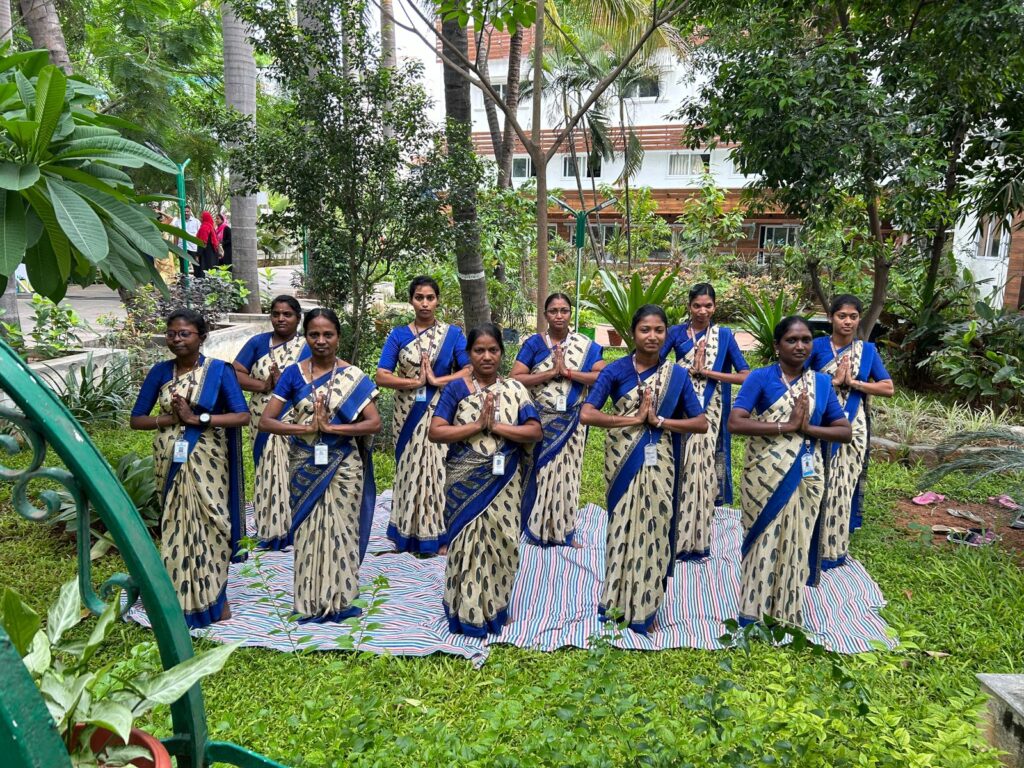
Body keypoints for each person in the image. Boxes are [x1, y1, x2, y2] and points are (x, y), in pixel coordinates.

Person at [581, 305, 708, 634]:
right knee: (621, 527)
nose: (652, 336)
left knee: (654, 527)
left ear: (666, 333)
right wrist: (631, 420)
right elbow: (587, 413)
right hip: (622, 460)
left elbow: (701, 422)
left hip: (659, 461)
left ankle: (646, 607)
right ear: (633, 334)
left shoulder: (676, 375)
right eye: (645, 330)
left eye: (659, 330)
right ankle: (616, 600)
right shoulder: (616, 370)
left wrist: (661, 421)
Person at [258, 308, 381, 622]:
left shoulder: (354, 376)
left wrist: (334, 429)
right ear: (306, 337)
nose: (321, 340)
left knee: (342, 529)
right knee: (308, 531)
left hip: (344, 465)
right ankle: (309, 600)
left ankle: (341, 599)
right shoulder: (293, 374)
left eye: (328, 334)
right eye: (314, 334)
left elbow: (374, 423)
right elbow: (266, 421)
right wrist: (305, 428)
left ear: (338, 337)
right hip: (304, 463)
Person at [728, 316, 852, 628]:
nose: (800, 346)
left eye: (806, 340)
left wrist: (807, 428)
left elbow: (844, 431)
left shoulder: (821, 384)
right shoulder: (760, 378)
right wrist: (785, 426)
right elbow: (735, 422)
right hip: (763, 475)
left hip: (805, 475)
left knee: (796, 541)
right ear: (777, 345)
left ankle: (787, 610)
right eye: (792, 340)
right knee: (762, 539)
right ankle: (753, 611)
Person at [129, 309, 249, 628]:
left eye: (185, 334)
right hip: (169, 461)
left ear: (202, 337)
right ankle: (178, 599)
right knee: (176, 525)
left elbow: (242, 415)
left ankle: (215, 599)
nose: (177, 339)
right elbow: (136, 419)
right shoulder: (160, 372)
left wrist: (198, 419)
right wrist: (171, 419)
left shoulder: (219, 371)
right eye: (171, 334)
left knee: (214, 522)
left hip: (208, 459)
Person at [428, 324, 542, 637]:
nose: (487, 356)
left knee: (503, 542)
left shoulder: (515, 389)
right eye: (479, 350)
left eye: (493, 350)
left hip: (504, 482)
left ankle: (496, 605)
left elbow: (535, 430)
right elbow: (436, 431)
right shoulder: (456, 389)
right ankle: (465, 609)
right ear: (469, 354)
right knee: (465, 544)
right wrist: (478, 425)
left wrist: (498, 427)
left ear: (502, 353)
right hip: (464, 480)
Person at [375, 276, 470, 554]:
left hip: (441, 409)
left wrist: (437, 381)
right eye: (419, 297)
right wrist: (413, 383)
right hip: (408, 412)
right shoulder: (398, 335)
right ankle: (407, 533)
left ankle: (439, 535)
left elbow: (468, 370)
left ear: (437, 300)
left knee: (439, 470)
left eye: (430, 297)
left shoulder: (453, 334)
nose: (425, 303)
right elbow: (382, 375)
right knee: (409, 469)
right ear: (411, 301)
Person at [662, 283, 750, 561]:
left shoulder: (724, 337)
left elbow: (745, 375)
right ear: (689, 306)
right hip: (680, 407)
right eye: (697, 305)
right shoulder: (676, 333)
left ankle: (697, 539)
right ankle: (673, 535)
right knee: (680, 465)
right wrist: (686, 370)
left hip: (710, 411)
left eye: (708, 306)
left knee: (702, 469)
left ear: (715, 307)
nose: (702, 311)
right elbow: (655, 363)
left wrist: (710, 373)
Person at [511, 293, 605, 547]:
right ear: (545, 315)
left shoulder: (585, 345)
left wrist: (569, 373)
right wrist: (551, 373)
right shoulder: (534, 344)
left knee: (569, 475)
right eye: (553, 311)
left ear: (570, 313)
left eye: (564, 310)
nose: (559, 316)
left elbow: (601, 375)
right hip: (541, 420)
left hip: (572, 422)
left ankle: (565, 530)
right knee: (539, 473)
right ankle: (535, 528)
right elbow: (516, 377)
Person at [807, 295, 894, 569]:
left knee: (842, 485)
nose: (847, 322)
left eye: (853, 317)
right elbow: (800, 379)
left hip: (853, 427)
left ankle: (833, 548)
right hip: (820, 424)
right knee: (815, 482)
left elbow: (887, 387)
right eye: (842, 316)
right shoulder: (816, 346)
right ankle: (807, 542)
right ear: (830, 317)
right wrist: (831, 382)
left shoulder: (867, 351)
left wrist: (855, 383)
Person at [233, 295, 310, 549]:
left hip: (294, 418)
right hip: (262, 417)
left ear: (298, 318)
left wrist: (287, 388)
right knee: (267, 470)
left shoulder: (307, 346)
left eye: (287, 314)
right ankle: (270, 529)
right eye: (276, 314)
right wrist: (263, 385)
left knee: (294, 469)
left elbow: (317, 377)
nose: (281, 319)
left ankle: (295, 526)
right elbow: (235, 372)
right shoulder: (258, 343)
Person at [170, 206, 200, 274]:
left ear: (190, 212)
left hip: (193, 247)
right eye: (184, 212)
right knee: (183, 266)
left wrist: (199, 248)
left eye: (187, 211)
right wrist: (176, 248)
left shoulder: (196, 221)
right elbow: (176, 235)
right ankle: (184, 279)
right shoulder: (178, 222)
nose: (186, 213)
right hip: (182, 247)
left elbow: (199, 235)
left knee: (196, 265)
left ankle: (198, 278)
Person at [195, 211, 221, 278]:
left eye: (201, 217)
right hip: (213, 254)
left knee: (204, 272)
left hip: (206, 254)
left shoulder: (204, 227)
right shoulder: (211, 227)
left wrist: (197, 254)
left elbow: (202, 242)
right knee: (212, 272)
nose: (200, 219)